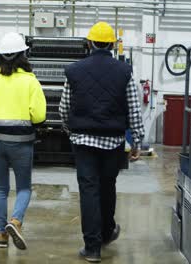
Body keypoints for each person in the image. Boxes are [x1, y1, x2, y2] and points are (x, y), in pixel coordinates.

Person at [59, 22, 145, 263]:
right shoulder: (124, 71)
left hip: (83, 141)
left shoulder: (74, 70)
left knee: (89, 190)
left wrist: (69, 130)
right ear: (112, 45)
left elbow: (64, 107)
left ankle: (92, 248)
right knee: (108, 187)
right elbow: (134, 108)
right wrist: (137, 140)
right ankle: (107, 233)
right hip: (113, 141)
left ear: (89, 43)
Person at [0, 32, 47, 250]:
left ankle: (2, 236)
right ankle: (15, 221)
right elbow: (39, 116)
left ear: (0, 57)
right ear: (24, 55)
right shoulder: (31, 82)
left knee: (1, 188)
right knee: (24, 188)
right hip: (22, 143)